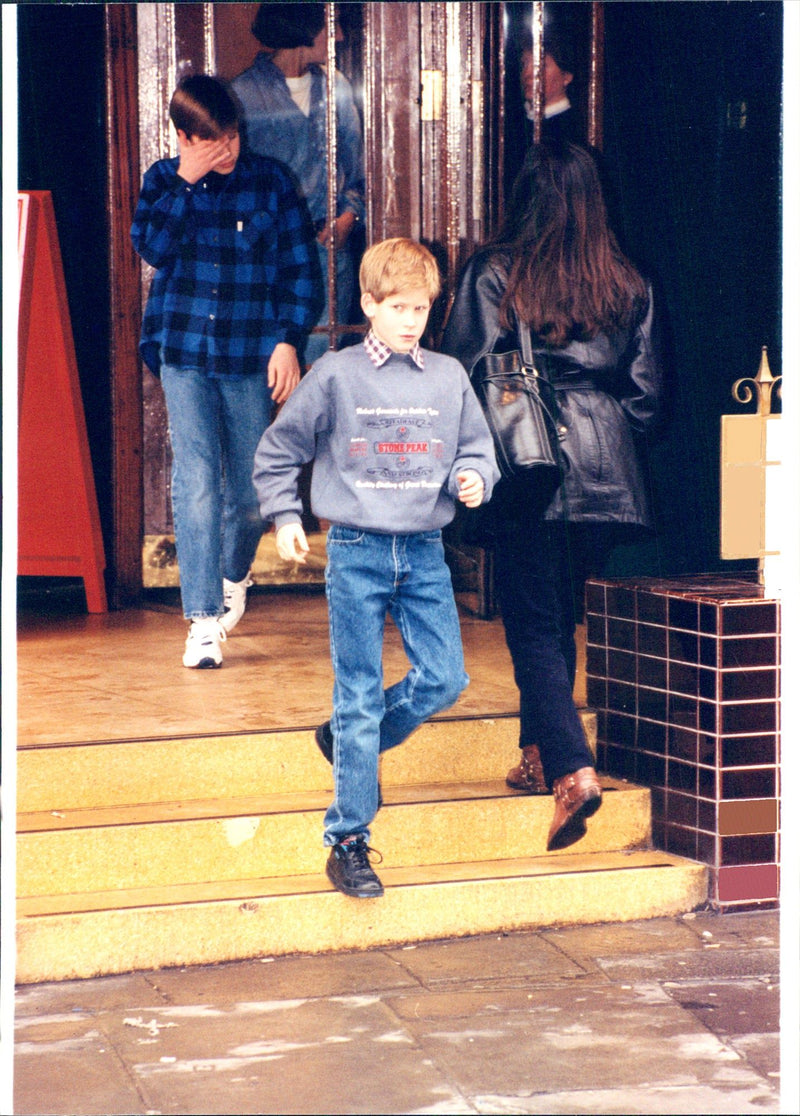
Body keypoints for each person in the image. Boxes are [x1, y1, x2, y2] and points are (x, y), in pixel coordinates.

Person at [252, 238, 499, 898]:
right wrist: (284, 518)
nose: (411, 320)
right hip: (357, 551)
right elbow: (278, 452)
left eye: (421, 307)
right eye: (397, 307)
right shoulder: (334, 374)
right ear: (368, 305)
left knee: (445, 677)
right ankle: (348, 840)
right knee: (358, 692)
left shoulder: (448, 377)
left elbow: (479, 451)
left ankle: (345, 741)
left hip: (424, 554)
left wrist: (474, 476)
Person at [441, 141, 664, 852]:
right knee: (560, 616)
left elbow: (461, 376)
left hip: (529, 465)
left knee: (533, 624)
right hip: (607, 470)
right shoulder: (628, 280)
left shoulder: (495, 272)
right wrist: (602, 435)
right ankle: (538, 755)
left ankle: (572, 772)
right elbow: (647, 399)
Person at [131, 74, 321, 668]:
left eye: (233, 135)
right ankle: (203, 620)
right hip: (182, 350)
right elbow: (152, 248)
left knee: (248, 492)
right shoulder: (164, 181)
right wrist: (187, 181)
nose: (227, 149)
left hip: (250, 355)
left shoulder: (271, 183)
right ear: (184, 138)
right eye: (211, 141)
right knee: (195, 479)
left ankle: (233, 576)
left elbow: (299, 272)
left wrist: (288, 341)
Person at [232, 2, 365, 365]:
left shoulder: (336, 87)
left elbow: (359, 167)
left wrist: (348, 218)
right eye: (330, 26)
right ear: (302, 26)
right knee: (274, 371)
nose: (338, 36)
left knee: (326, 373)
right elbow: (234, 185)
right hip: (270, 258)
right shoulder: (243, 95)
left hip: (328, 253)